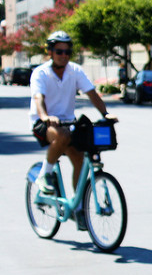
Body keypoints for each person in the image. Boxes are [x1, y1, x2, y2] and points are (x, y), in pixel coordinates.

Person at [29, 30, 117, 227]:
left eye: (68, 52)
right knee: (61, 136)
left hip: (68, 122)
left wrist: (105, 114)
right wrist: (45, 117)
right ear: (50, 52)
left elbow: (92, 94)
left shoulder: (74, 71)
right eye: (59, 51)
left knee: (80, 158)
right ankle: (45, 175)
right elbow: (38, 98)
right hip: (43, 122)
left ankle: (77, 207)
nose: (64, 56)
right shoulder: (40, 73)